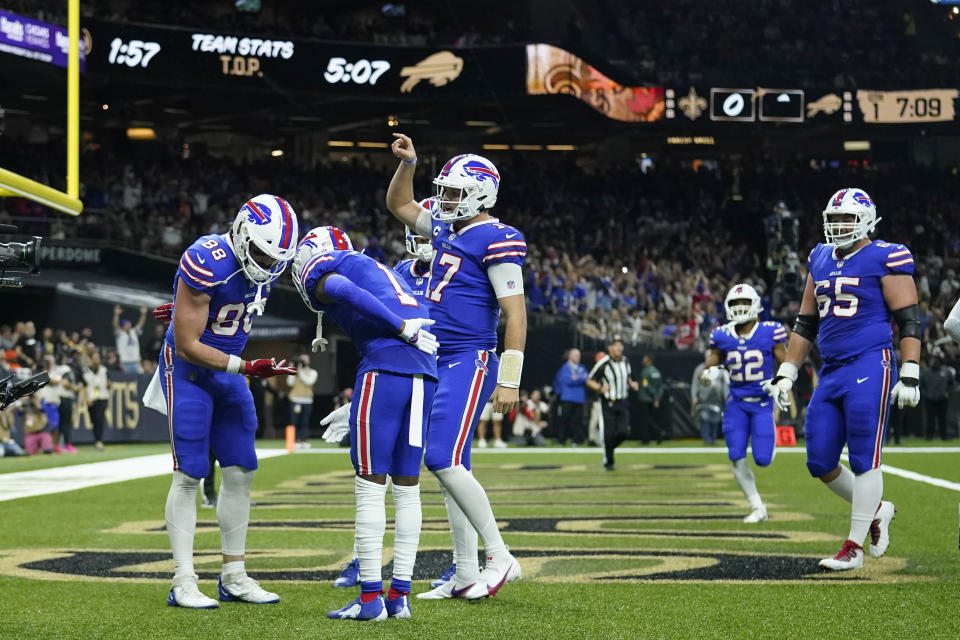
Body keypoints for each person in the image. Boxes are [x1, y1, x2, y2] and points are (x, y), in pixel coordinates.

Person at [386, 133, 524, 600]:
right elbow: (399, 204)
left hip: (471, 356)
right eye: (443, 190)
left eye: (453, 192)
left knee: (440, 457)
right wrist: (409, 163)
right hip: (437, 356)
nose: (443, 200)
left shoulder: (498, 237)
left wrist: (510, 377)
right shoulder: (447, 228)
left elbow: (516, 313)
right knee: (453, 465)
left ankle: (499, 553)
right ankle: (465, 572)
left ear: (481, 194)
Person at [151, 193, 299, 608]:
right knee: (190, 472)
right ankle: (183, 579)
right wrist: (246, 368)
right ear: (240, 232)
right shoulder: (207, 258)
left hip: (229, 368)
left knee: (242, 468)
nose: (266, 265)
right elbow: (185, 345)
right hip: (192, 369)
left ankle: (234, 574)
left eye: (274, 259)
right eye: (260, 253)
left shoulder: (267, 262)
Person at [291, 226, 438, 621]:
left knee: (370, 486)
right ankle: (400, 596)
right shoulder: (380, 269)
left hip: (387, 364)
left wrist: (399, 328)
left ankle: (371, 599)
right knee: (408, 486)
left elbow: (341, 290)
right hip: (425, 371)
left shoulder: (330, 264)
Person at [771, 188, 920, 571]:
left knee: (864, 457)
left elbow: (908, 320)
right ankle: (877, 512)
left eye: (847, 219)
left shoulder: (885, 255)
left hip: (871, 362)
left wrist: (911, 371)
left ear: (867, 220)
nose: (839, 226)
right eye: (834, 219)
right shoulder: (819, 257)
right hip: (833, 368)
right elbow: (806, 321)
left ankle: (853, 547)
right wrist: (788, 370)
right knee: (819, 459)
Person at [700, 283, 787, 522]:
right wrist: (707, 375)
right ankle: (757, 506)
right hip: (736, 403)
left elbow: (788, 364)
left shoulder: (770, 331)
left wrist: (781, 383)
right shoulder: (721, 335)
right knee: (736, 454)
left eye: (744, 303)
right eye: (735, 303)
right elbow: (711, 363)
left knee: (763, 459)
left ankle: (769, 441)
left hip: (761, 403)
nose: (740, 308)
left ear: (756, 305)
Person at [587, 336, 639, 470]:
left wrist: (632, 384)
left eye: (621, 345)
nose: (619, 348)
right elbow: (590, 380)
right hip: (608, 403)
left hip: (622, 402)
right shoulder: (604, 362)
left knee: (624, 432)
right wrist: (600, 388)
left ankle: (609, 448)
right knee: (608, 434)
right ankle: (609, 462)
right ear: (610, 348)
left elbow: (628, 377)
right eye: (616, 345)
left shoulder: (626, 361)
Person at [552, 348, 590, 446]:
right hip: (567, 398)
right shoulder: (565, 368)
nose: (578, 357)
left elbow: (587, 378)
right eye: (576, 355)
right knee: (565, 419)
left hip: (580, 398)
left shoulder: (582, 367)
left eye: (579, 356)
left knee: (577, 421)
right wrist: (580, 378)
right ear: (570, 356)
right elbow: (567, 380)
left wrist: (577, 378)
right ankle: (561, 440)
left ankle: (577, 440)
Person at [690, 361, 726, 445]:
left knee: (716, 419)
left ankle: (713, 439)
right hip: (704, 398)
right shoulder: (700, 368)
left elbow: (724, 383)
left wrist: (725, 394)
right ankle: (706, 439)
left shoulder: (720, 369)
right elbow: (695, 383)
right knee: (704, 418)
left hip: (717, 399)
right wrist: (694, 396)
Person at [287, 354, 318, 448]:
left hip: (307, 401)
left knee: (305, 421)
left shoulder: (313, 372)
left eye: (305, 360)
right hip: (296, 400)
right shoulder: (294, 372)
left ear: (308, 361)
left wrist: (300, 372)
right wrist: (291, 370)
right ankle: (295, 440)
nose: (303, 362)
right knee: (294, 420)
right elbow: (290, 383)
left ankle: (304, 440)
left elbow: (309, 382)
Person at [83, 351, 109, 451]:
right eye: (94, 358)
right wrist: (86, 399)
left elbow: (109, 382)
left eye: (98, 358)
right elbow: (84, 386)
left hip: (102, 397)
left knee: (100, 419)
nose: (96, 360)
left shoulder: (104, 370)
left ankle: (99, 441)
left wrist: (108, 384)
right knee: (93, 420)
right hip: (92, 398)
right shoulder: (86, 371)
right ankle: (97, 440)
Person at [636, 354, 664, 444]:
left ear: (649, 360)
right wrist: (657, 397)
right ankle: (653, 436)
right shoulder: (657, 371)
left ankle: (651, 436)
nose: (643, 360)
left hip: (645, 398)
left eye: (645, 359)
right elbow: (660, 386)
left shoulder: (646, 371)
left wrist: (653, 394)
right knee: (650, 418)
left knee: (646, 419)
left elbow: (645, 384)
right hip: (653, 399)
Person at [114, 305, 147, 373]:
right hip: (125, 362)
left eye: (129, 323)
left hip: (136, 361)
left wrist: (143, 314)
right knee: (128, 382)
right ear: (123, 326)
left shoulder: (133, 332)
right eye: (126, 324)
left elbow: (140, 325)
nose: (129, 325)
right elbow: (115, 326)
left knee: (141, 379)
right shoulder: (120, 334)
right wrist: (116, 315)